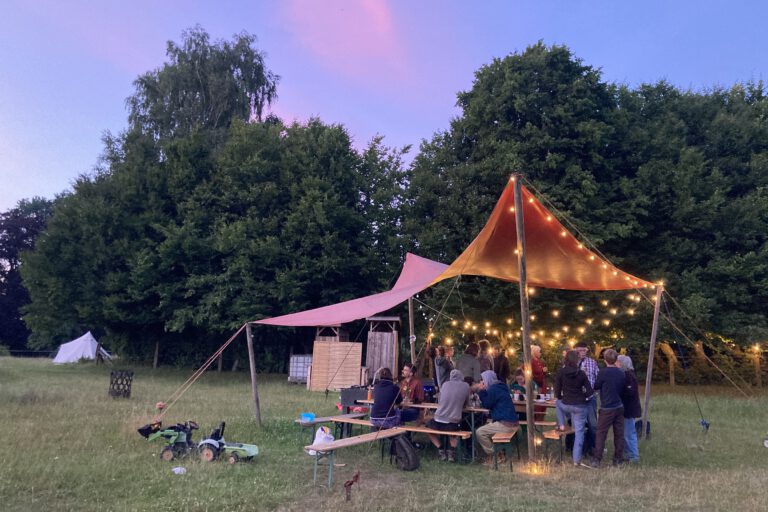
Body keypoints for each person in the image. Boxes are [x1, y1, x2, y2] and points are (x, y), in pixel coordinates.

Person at [554, 350, 593, 467]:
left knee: (557, 403)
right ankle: (576, 460)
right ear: (577, 360)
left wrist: (561, 397)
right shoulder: (581, 374)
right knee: (579, 433)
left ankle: (561, 424)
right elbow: (590, 391)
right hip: (580, 406)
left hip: (566, 404)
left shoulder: (561, 372)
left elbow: (557, 390)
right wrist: (585, 397)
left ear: (566, 359)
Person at [587, 349, 626, 468]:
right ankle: (618, 458)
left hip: (607, 407)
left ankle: (597, 459)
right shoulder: (621, 372)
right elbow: (622, 387)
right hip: (619, 406)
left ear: (605, 360)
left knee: (601, 433)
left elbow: (596, 386)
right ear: (616, 360)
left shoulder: (603, 373)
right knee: (619, 433)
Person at [471, 370, 519, 465]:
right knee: (488, 426)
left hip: (505, 424)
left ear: (487, 379)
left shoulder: (493, 389)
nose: (481, 382)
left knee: (480, 432)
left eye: (482, 380)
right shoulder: (502, 387)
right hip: (513, 423)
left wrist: (481, 391)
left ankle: (496, 456)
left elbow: (487, 404)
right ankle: (500, 453)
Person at [426, 369, 471, 462]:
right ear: (461, 377)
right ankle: (451, 452)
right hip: (452, 422)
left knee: (427, 428)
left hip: (438, 420)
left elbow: (439, 400)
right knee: (454, 431)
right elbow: (467, 404)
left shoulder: (445, 384)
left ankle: (441, 449)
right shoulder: (466, 386)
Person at [574, 341, 599, 456]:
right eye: (580, 350)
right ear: (575, 351)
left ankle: (594, 447)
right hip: (576, 399)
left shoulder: (592, 362)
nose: (583, 352)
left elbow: (598, 378)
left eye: (584, 350)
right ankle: (578, 449)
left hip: (590, 398)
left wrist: (595, 391)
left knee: (593, 424)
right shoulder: (571, 364)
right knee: (577, 425)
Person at [617, 354, 641, 463]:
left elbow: (629, 392)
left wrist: (618, 392)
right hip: (627, 408)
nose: (616, 364)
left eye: (618, 362)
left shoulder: (628, 376)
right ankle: (629, 454)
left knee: (629, 433)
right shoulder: (628, 374)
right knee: (626, 433)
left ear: (623, 364)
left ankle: (633, 456)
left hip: (628, 409)